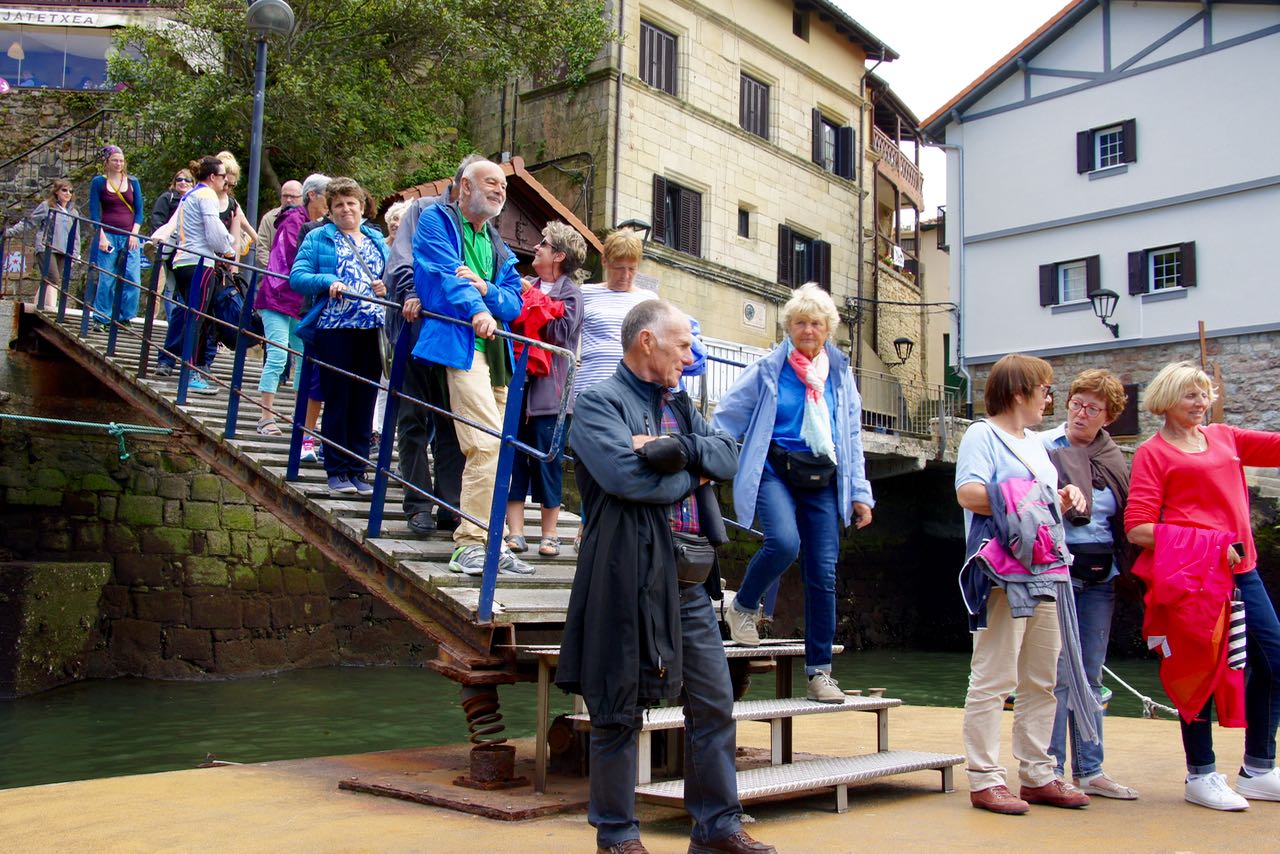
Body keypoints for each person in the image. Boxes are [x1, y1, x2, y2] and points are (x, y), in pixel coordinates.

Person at [558, 299, 772, 854]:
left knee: (713, 701)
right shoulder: (597, 404)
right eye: (682, 344)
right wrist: (691, 475)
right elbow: (627, 480)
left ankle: (718, 827)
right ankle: (617, 837)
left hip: (689, 583)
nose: (691, 355)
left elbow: (726, 453)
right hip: (625, 578)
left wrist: (671, 451)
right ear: (647, 342)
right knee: (617, 708)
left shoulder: (679, 405)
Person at [1126, 361, 1280, 811]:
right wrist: (1211, 543)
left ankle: (1258, 768)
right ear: (1167, 401)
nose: (1200, 403)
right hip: (1194, 579)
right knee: (1199, 671)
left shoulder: (1225, 437)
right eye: (1190, 395)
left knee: (1273, 661)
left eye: (1205, 393)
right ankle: (1201, 774)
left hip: (1242, 571)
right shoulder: (1153, 453)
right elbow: (1137, 528)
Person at [713, 282, 873, 700]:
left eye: (815, 323)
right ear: (789, 326)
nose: (807, 330)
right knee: (784, 543)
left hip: (822, 479)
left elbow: (851, 436)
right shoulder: (769, 369)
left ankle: (819, 673)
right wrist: (708, 460)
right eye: (800, 322)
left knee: (823, 573)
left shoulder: (840, 375)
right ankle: (743, 606)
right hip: (775, 470)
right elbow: (728, 414)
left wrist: (861, 493)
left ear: (828, 329)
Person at [954, 353, 1091, 815]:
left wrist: (1063, 497)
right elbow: (969, 493)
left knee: (1041, 677)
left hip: (1047, 566)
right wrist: (1033, 499)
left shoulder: (1037, 443)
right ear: (1019, 393)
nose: (1049, 399)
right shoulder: (982, 434)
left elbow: (1040, 501)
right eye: (1045, 390)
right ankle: (984, 778)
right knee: (995, 675)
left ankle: (1037, 773)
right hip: (1005, 569)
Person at [410, 159, 531, 575]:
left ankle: (492, 541)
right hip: (462, 347)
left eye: (503, 185)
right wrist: (479, 307)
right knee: (485, 444)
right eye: (491, 182)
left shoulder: (496, 242)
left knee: (501, 450)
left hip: (497, 353)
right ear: (465, 186)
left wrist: (487, 291)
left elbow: (516, 302)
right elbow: (445, 278)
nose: (500, 190)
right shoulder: (436, 222)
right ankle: (470, 543)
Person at [1040, 369, 1138, 799]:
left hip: (1102, 576)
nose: (1082, 413)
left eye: (1093, 408)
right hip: (1059, 573)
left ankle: (1091, 769)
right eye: (1076, 403)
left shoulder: (1114, 458)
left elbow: (1125, 517)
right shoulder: (1044, 447)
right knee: (1060, 673)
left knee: (1091, 672)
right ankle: (1052, 769)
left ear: (1108, 416)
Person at [390, 154, 482, 533]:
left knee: (450, 422)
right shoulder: (426, 210)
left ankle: (449, 503)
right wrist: (411, 291)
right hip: (418, 328)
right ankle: (417, 502)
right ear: (464, 184)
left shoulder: (481, 223)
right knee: (414, 418)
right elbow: (403, 257)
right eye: (484, 183)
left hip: (456, 336)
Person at [289, 177, 388, 496]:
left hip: (371, 329)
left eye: (351, 204)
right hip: (335, 327)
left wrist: (384, 287)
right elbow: (297, 277)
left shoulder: (375, 240)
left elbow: (391, 277)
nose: (346, 209)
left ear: (362, 207)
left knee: (365, 399)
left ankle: (358, 468)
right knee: (339, 398)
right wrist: (328, 280)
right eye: (339, 205)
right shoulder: (319, 238)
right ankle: (337, 469)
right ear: (330, 210)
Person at [503, 222, 586, 557]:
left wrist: (533, 298)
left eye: (544, 244)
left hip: (550, 395)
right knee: (512, 458)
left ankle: (549, 534)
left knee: (547, 461)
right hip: (517, 384)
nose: (536, 247)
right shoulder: (524, 285)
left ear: (559, 256)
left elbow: (560, 335)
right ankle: (516, 532)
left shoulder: (570, 293)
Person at [252, 173, 329, 436]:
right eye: (326, 196)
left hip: (298, 301)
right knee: (278, 355)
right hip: (277, 297)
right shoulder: (295, 221)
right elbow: (288, 260)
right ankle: (265, 417)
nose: (330, 202)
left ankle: (301, 418)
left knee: (302, 357)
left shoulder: (314, 223)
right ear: (312, 196)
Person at [152, 156, 234, 393]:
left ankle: (187, 369)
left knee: (192, 314)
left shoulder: (189, 195)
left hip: (183, 261)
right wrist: (228, 250)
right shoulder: (207, 195)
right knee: (197, 318)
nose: (225, 180)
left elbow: (176, 229)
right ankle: (191, 374)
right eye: (222, 176)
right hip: (200, 263)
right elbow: (214, 231)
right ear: (212, 177)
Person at [87, 145, 144, 327]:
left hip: (129, 235)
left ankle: (124, 315)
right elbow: (95, 212)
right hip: (108, 233)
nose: (118, 164)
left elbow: (140, 211)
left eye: (121, 160)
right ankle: (101, 317)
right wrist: (101, 236)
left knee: (133, 278)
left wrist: (134, 234)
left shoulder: (133, 182)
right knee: (107, 277)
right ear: (107, 162)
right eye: (115, 160)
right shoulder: (98, 182)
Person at [5, 179, 80, 311]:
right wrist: (10, 232)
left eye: (70, 191)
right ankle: (51, 310)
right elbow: (30, 222)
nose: (68, 193)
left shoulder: (73, 212)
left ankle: (36, 308)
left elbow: (75, 235)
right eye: (64, 190)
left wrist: (74, 253)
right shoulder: (47, 206)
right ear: (56, 192)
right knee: (53, 278)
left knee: (47, 280)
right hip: (46, 247)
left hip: (63, 250)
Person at [149, 169, 193, 321]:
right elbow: (157, 221)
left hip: (185, 251)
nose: (183, 182)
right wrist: (161, 243)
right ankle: (168, 321)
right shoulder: (167, 198)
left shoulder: (195, 201)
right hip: (167, 249)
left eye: (187, 180)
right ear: (174, 182)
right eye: (179, 179)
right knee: (166, 286)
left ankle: (177, 322)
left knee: (179, 289)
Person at [256, 180, 302, 269]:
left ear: (302, 198)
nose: (288, 200)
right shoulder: (269, 218)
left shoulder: (309, 220)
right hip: (271, 273)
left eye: (292, 196)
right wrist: (275, 271)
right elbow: (262, 251)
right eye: (285, 196)